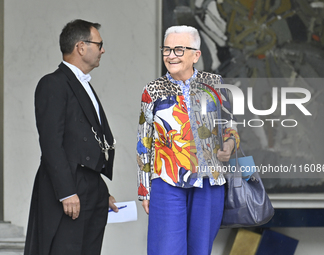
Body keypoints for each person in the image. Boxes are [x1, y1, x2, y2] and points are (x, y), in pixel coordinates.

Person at [136, 25, 240, 255]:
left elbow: (231, 126)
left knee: (200, 250)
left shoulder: (214, 83)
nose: (171, 55)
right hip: (167, 182)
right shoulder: (152, 90)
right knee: (167, 250)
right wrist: (144, 190)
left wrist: (230, 144)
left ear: (196, 55)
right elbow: (144, 142)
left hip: (209, 182)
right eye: (167, 49)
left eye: (179, 50)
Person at [24, 19, 118, 255]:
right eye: (99, 44)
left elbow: (85, 138)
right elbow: (51, 142)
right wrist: (67, 191)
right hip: (68, 188)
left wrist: (100, 191)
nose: (103, 50)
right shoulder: (52, 83)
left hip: (90, 186)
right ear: (81, 47)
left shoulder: (82, 84)